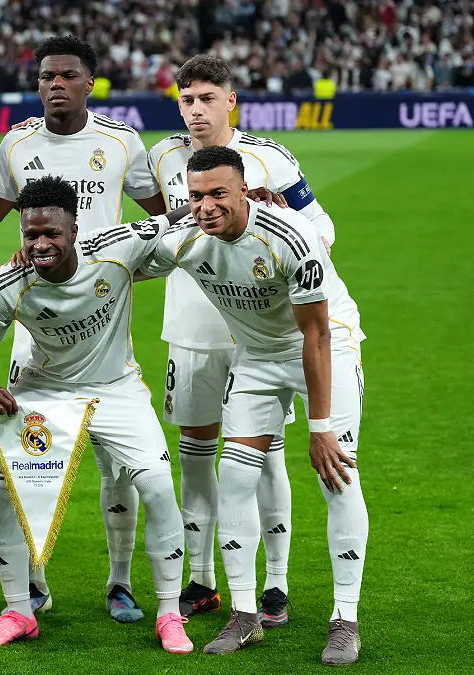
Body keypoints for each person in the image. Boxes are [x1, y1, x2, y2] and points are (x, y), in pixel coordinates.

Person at [143, 146, 366, 666]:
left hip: (325, 346)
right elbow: (114, 259)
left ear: (245, 190)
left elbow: (314, 335)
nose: (207, 206)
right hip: (257, 358)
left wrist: (320, 427)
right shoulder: (186, 239)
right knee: (236, 476)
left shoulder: (291, 236)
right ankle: (244, 614)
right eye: (196, 196)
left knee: (339, 475)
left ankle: (345, 618)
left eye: (219, 193)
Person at [0, 34, 166, 622]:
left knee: (117, 464)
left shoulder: (121, 141)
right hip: (32, 319)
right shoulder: (18, 142)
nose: (55, 85)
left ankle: (120, 582)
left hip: (104, 319)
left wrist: (128, 269)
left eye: (67, 76)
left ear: (89, 82)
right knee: (23, 462)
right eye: (46, 76)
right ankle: (31, 585)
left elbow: (159, 214)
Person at [0, 176, 193, 654]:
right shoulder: (10, 284)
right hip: (44, 390)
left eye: (53, 233)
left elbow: (170, 219)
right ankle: (18, 612)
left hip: (116, 387)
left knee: (156, 484)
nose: (42, 243)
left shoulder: (116, 246)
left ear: (74, 229)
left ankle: (170, 613)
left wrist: (234, 201)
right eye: (31, 235)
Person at [147, 54, 338, 624]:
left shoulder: (269, 156)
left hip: (261, 331)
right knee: (199, 458)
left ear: (231, 100)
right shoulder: (161, 157)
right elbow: (161, 233)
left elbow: (324, 229)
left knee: (264, 456)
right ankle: (201, 578)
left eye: (208, 98)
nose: (197, 110)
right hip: (192, 326)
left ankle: (274, 584)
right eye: (187, 100)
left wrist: (287, 223)